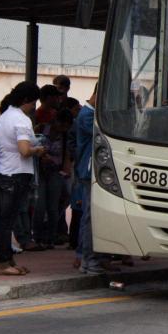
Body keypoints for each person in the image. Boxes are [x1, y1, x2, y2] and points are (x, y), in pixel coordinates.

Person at [0, 81, 46, 275]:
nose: (34, 106)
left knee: (5, 220)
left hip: (3, 171)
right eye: (33, 102)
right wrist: (37, 150)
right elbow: (24, 150)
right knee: (8, 221)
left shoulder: (4, 117)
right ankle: (3, 262)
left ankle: (8, 260)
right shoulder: (22, 120)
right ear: (26, 100)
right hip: (17, 174)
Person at [75, 83, 115, 274]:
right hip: (89, 171)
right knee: (90, 217)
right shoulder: (88, 116)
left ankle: (97, 257)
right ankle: (88, 258)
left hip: (96, 171)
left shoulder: (92, 114)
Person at [33, 109, 72, 249]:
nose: (63, 129)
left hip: (55, 172)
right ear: (56, 121)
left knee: (53, 207)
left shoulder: (65, 136)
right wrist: (42, 156)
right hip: (40, 171)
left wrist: (65, 171)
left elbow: (66, 155)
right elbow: (32, 146)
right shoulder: (41, 129)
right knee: (39, 206)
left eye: (66, 126)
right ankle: (37, 236)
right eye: (62, 125)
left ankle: (50, 237)